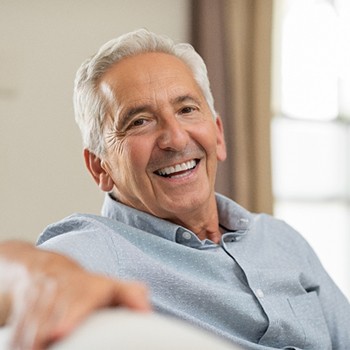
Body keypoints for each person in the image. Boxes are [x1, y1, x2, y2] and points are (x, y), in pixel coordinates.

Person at [0, 29, 349, 350]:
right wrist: (37, 277)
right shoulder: (101, 248)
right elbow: (13, 271)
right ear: (100, 167)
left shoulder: (280, 239)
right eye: (139, 121)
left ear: (218, 135)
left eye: (186, 109)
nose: (175, 138)